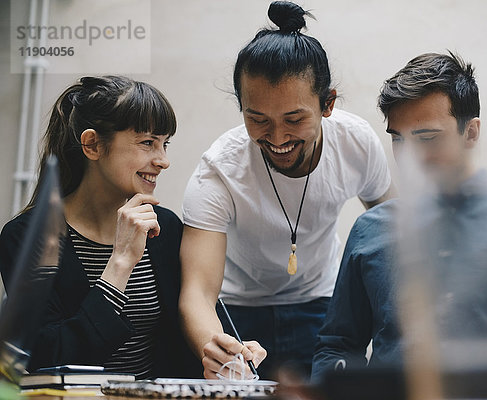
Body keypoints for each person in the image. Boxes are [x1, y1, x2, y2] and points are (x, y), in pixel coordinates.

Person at [311, 52, 487, 381]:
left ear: (471, 133)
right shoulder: (370, 231)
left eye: (428, 138)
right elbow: (338, 345)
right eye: (398, 139)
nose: (409, 157)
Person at [180, 1, 393, 380]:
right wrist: (216, 347)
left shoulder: (356, 143)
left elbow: (394, 230)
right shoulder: (218, 171)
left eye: (294, 119)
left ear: (327, 103)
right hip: (236, 312)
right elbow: (197, 291)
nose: (277, 138)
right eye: (257, 119)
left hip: (322, 307)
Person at [0, 76, 202, 379]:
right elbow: (45, 360)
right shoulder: (26, 237)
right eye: (148, 142)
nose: (163, 161)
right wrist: (120, 264)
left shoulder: (166, 228)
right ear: (92, 145)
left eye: (165, 144)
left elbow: (178, 345)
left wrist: (219, 350)